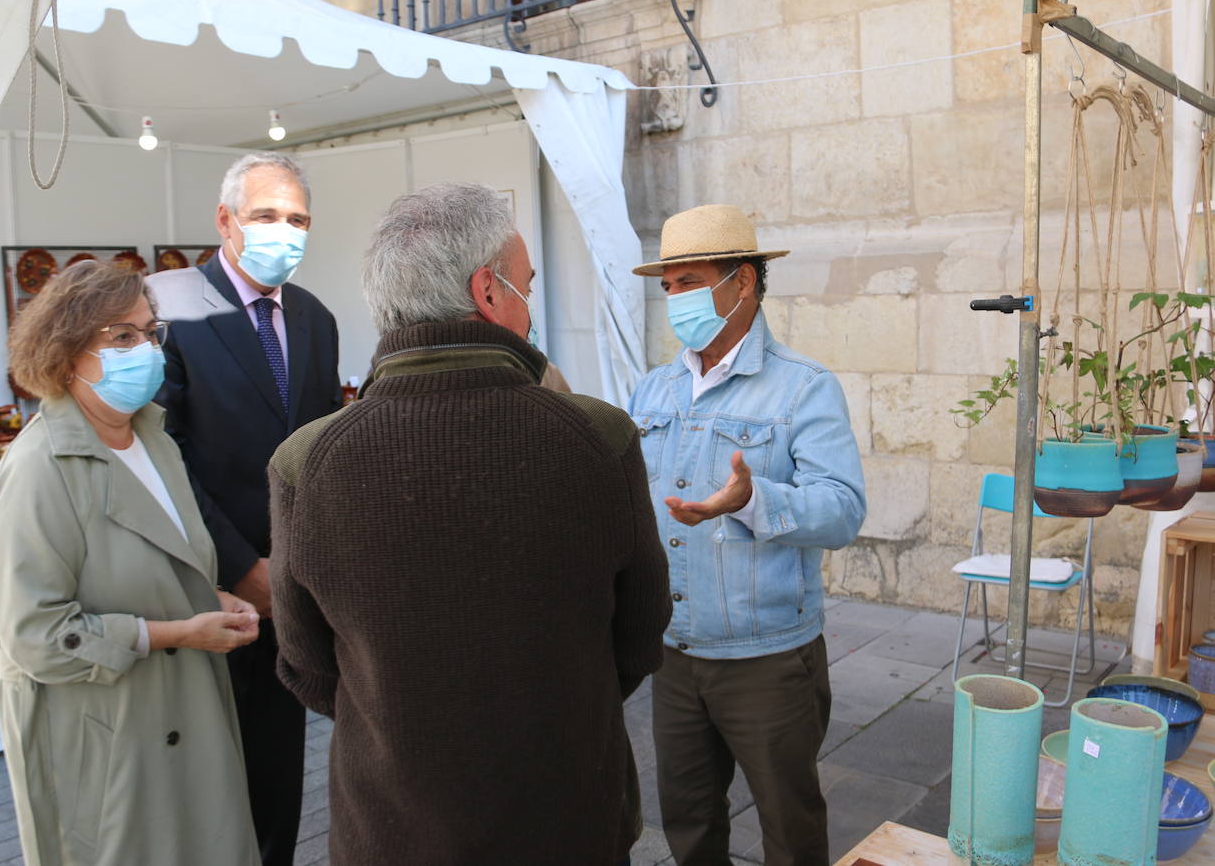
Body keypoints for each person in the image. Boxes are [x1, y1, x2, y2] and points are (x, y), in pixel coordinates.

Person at [267, 182, 672, 865]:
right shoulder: (598, 438)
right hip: (568, 817)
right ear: (490, 292)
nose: (530, 305)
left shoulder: (306, 463)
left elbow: (305, 666)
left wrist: (403, 718)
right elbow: (640, 634)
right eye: (527, 285)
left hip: (390, 831)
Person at [0, 261, 261, 866]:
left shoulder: (153, 438)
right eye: (122, 336)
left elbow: (157, 556)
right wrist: (177, 632)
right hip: (106, 743)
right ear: (67, 353)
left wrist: (210, 594)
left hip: (184, 716)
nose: (146, 349)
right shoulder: (40, 469)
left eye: (150, 332)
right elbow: (36, 636)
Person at [628, 204, 867, 866]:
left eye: (691, 281)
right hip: (675, 652)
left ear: (743, 284)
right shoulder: (651, 392)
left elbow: (844, 509)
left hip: (767, 657)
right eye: (669, 285)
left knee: (790, 825)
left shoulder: (802, 388)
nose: (676, 299)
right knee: (688, 821)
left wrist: (753, 499)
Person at [146, 151, 341, 865]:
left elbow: (319, 448)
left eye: (297, 220)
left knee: (274, 779)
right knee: (199, 784)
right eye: (265, 216)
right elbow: (160, 455)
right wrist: (238, 563)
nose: (282, 232)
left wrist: (296, 564)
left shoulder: (316, 318)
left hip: (287, 590)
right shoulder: (165, 306)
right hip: (201, 587)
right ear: (226, 221)